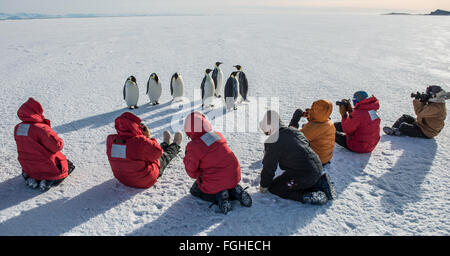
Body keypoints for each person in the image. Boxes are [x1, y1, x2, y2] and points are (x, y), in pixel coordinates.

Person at [259, 110, 337, 205]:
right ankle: (320, 181)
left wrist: (264, 185)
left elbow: (269, 166)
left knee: (276, 187)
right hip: (317, 167)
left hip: (304, 175)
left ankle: (308, 195)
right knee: (287, 179)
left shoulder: (273, 141)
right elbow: (306, 145)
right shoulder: (293, 130)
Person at [183, 111, 252, 214]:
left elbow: (191, 172)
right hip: (234, 174)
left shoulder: (194, 146)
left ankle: (221, 197)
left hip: (215, 180)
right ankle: (234, 190)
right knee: (221, 177)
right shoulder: (217, 135)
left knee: (195, 190)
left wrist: (188, 159)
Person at [106, 112, 182, 188]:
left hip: (123, 179)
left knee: (147, 151)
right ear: (135, 126)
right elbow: (158, 152)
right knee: (163, 156)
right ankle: (176, 145)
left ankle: (165, 143)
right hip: (144, 180)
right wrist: (147, 137)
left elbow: (129, 151)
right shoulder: (139, 141)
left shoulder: (111, 139)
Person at [14, 97, 75, 191]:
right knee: (68, 165)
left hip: (28, 166)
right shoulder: (41, 128)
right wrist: (60, 140)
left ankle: (31, 178)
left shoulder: (18, 127)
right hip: (47, 165)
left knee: (33, 161)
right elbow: (57, 146)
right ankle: (48, 181)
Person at [383, 85, 448, 138]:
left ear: (434, 96)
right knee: (405, 117)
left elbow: (419, 113)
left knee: (403, 126)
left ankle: (399, 130)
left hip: (427, 131)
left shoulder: (436, 107)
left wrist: (418, 100)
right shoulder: (436, 103)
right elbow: (423, 110)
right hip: (422, 124)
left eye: (428, 94)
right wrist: (423, 101)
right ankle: (394, 130)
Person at [289, 99, 336, 166]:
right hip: (326, 157)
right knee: (304, 126)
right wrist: (309, 114)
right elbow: (317, 117)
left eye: (313, 109)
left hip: (316, 160)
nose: (311, 110)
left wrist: (294, 121)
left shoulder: (313, 127)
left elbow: (293, 139)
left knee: (290, 139)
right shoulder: (329, 122)